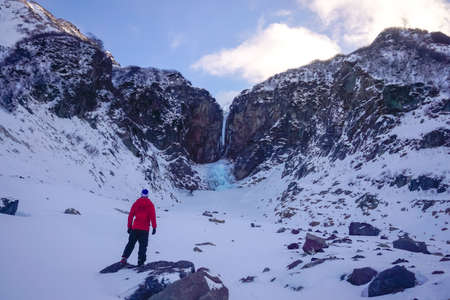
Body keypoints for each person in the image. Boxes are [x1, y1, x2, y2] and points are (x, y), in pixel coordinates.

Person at [120, 189, 157, 266]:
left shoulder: (136, 203)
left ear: (141, 194)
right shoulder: (150, 205)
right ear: (147, 195)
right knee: (143, 246)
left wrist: (129, 227)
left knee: (130, 244)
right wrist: (154, 227)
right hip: (144, 230)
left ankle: (124, 258)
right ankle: (141, 262)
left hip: (135, 228)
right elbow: (152, 217)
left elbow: (131, 215)